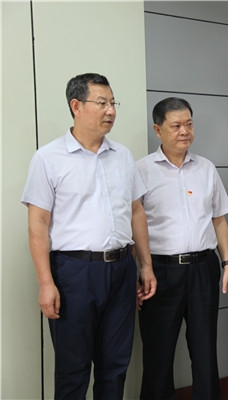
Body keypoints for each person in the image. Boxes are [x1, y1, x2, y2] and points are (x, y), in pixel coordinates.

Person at [21, 72, 157, 399]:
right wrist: (45, 283)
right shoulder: (48, 158)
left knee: (115, 366)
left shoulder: (122, 156)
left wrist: (145, 266)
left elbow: (136, 211)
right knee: (73, 368)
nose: (110, 110)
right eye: (102, 103)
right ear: (76, 106)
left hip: (121, 270)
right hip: (74, 272)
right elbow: (38, 223)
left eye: (113, 103)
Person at [136, 97, 228, 400]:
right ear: (158, 130)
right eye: (176, 126)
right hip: (160, 272)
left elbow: (219, 220)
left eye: (189, 124)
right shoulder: (141, 170)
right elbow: (133, 226)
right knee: (158, 354)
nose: (185, 131)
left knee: (205, 350)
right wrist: (139, 272)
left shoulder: (206, 168)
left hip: (203, 269)